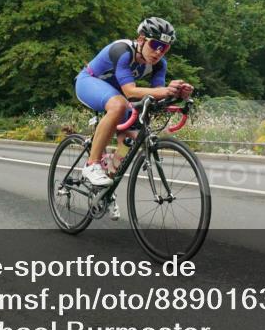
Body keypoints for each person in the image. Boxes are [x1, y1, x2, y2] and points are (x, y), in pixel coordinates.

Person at [74, 17, 193, 219]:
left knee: (130, 140)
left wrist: (176, 92)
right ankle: (91, 164)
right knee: (119, 104)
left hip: (116, 92)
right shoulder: (122, 51)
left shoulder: (158, 64)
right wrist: (165, 91)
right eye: (155, 44)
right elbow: (130, 91)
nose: (158, 52)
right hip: (89, 82)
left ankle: (104, 192)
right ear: (141, 39)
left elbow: (156, 94)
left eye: (164, 48)